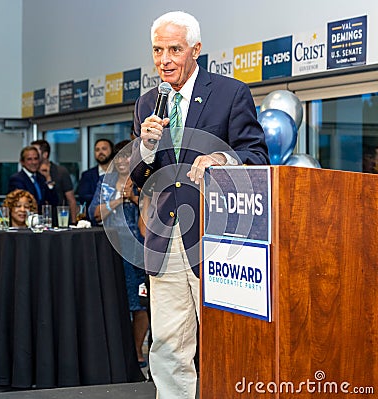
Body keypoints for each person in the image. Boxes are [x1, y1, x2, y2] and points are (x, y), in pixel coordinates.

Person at [129, 11, 270, 398]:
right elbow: (139, 178)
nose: (165, 59)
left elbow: (256, 155)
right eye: (158, 50)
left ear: (196, 50)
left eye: (174, 49)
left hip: (219, 237)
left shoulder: (230, 93)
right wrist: (145, 147)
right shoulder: (146, 104)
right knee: (169, 342)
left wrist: (220, 160)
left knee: (225, 338)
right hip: (164, 239)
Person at [88, 140, 149, 368]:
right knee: (117, 301)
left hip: (139, 250)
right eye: (119, 157)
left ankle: (137, 351)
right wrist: (119, 199)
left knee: (141, 302)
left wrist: (133, 196)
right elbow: (95, 213)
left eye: (127, 157)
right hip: (112, 249)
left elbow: (152, 213)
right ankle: (117, 351)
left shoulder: (144, 183)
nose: (123, 161)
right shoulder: (106, 182)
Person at [31, 139, 77, 222]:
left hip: (58, 219)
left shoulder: (60, 171)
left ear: (45, 154)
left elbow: (71, 199)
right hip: (36, 220)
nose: (32, 154)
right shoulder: (32, 173)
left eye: (35, 151)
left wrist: (74, 222)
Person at [78, 138, 114, 210]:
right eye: (97, 150)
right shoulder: (87, 175)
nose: (100, 152)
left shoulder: (119, 173)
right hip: (93, 218)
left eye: (104, 149)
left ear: (112, 150)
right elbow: (83, 197)